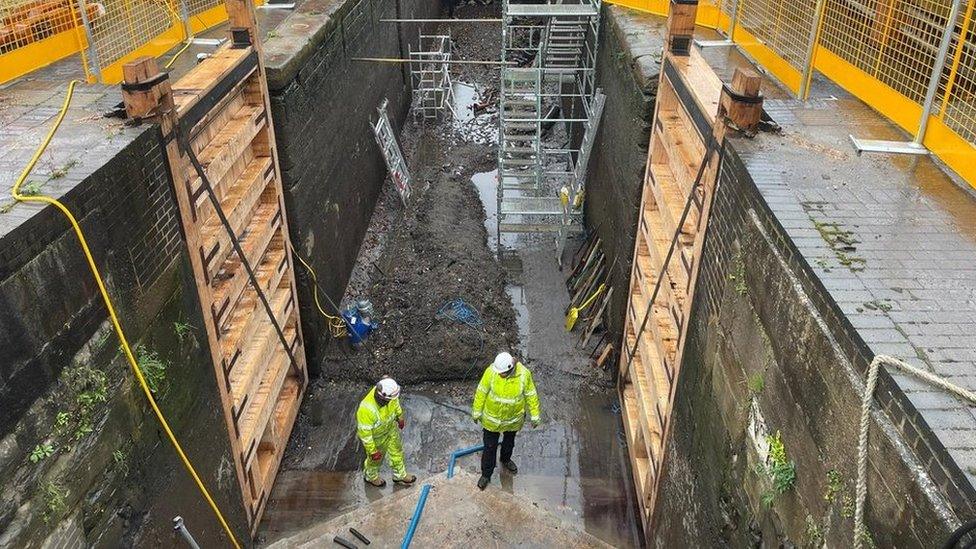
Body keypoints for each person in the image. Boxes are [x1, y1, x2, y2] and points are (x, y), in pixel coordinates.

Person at [471, 351, 541, 490]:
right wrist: (477, 411)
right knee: (489, 447)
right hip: (492, 420)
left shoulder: (524, 374)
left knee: (509, 442)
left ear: (510, 368)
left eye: (502, 373)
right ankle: (486, 474)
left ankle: (505, 459)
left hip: (512, 420)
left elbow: (531, 395)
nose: (499, 374)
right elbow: (481, 391)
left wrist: (535, 415)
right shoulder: (492, 371)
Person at [356, 376, 416, 487]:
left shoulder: (390, 396)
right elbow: (365, 434)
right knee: (375, 459)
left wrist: (400, 416)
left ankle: (399, 475)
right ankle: (371, 476)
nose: (392, 401)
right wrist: (372, 450)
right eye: (389, 400)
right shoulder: (366, 409)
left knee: (397, 451)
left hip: (390, 429)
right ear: (382, 398)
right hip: (377, 437)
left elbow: (395, 403)